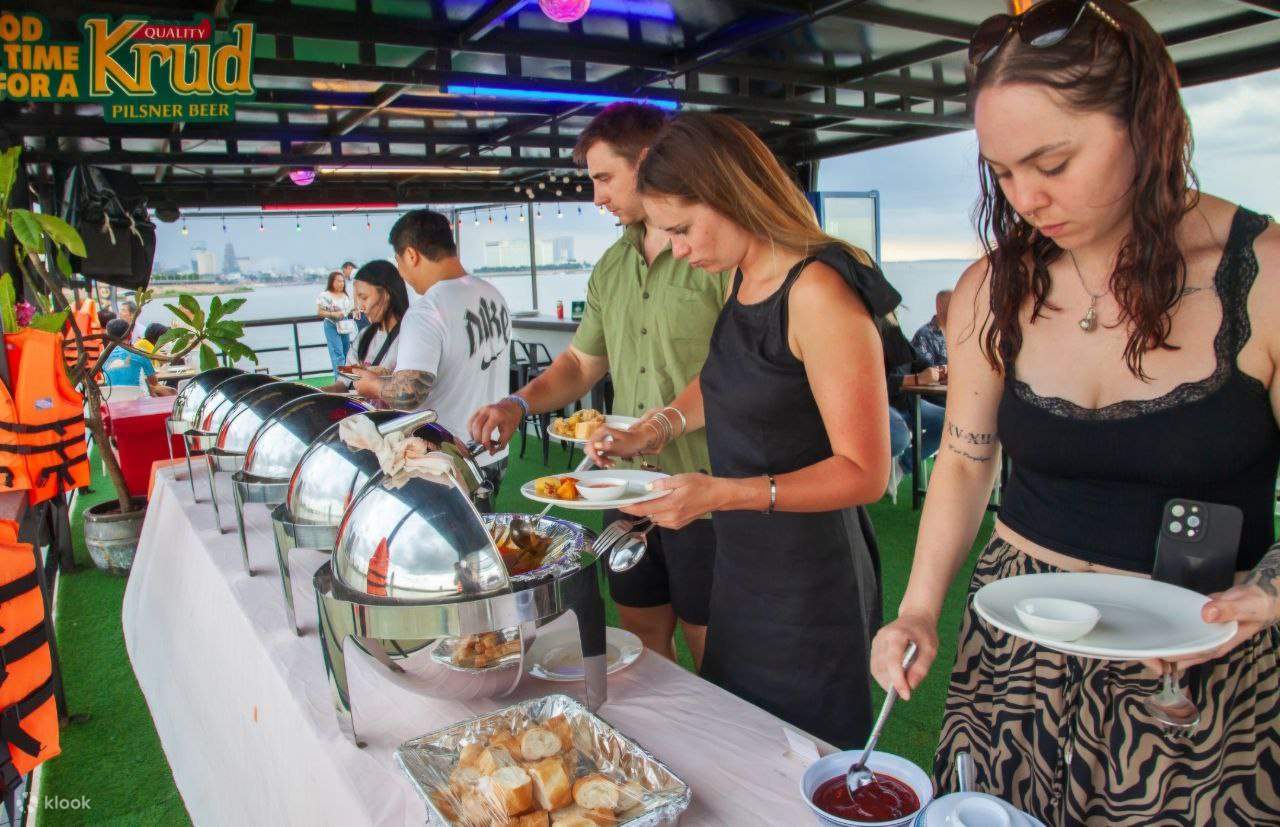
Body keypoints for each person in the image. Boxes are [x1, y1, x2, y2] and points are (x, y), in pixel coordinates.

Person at [869, 2, 1280, 823]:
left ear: (1145, 122)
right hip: (1019, 641)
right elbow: (965, 456)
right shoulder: (995, 284)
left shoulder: (1263, 278)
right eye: (1004, 172)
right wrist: (917, 606)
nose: (1027, 198)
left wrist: (1271, 588)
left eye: (1052, 161)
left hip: (1196, 655)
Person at [588, 112, 893, 749]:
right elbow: (730, 376)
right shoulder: (738, 274)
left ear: (730, 194)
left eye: (681, 228)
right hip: (744, 561)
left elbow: (865, 472)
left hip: (810, 578)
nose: (676, 249)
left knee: (804, 755)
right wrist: (656, 428)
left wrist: (723, 492)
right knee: (742, 734)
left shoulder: (819, 289)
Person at [468, 103, 729, 668]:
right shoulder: (613, 263)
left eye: (604, 177)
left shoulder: (717, 253)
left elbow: (736, 371)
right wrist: (518, 402)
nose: (597, 196)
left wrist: (660, 425)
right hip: (625, 490)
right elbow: (581, 365)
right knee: (642, 636)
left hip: (706, 491)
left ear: (648, 162)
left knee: (716, 650)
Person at [382, 210, 511, 488]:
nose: (402, 274)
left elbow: (407, 397)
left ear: (411, 255)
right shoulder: (492, 294)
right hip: (492, 450)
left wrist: (373, 385)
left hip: (447, 458)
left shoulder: (427, 310)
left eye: (399, 262)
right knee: (486, 528)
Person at [319, 260, 409, 407]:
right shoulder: (363, 336)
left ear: (385, 295)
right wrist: (317, 393)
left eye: (364, 297)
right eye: (357, 299)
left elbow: (413, 391)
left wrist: (374, 377)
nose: (360, 306)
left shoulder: (410, 337)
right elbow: (344, 382)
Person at [100, 319, 175, 399]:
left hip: (112, 401)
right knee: (172, 392)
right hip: (139, 401)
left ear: (107, 336)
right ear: (130, 335)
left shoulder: (103, 355)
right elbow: (154, 382)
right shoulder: (139, 353)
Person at [316, 270, 354, 380]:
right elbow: (320, 312)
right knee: (338, 353)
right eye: (338, 281)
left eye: (342, 281)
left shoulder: (345, 295)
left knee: (347, 353)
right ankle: (340, 380)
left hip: (344, 324)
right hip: (331, 324)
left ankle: (348, 380)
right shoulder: (325, 295)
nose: (341, 284)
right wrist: (333, 314)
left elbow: (349, 309)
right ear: (332, 282)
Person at [911, 289, 951, 368]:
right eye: (952, 303)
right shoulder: (924, 335)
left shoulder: (961, 332)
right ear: (939, 306)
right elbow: (927, 372)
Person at [343, 261, 370, 333]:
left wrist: (356, 308)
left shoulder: (355, 274)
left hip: (360, 312)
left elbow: (357, 292)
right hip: (364, 310)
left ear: (349, 267)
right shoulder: (362, 274)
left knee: (364, 334)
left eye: (344, 271)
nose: (344, 274)